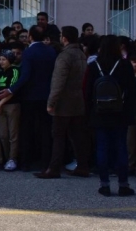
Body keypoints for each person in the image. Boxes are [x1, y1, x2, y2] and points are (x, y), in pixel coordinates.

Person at [0, 26, 57, 172]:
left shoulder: (29, 52)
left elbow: (25, 75)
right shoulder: (51, 51)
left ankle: (26, 162)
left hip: (30, 96)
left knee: (27, 130)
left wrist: (10, 90)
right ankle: (45, 162)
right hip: (46, 95)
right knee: (45, 130)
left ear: (30, 36)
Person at [85, 35, 136, 196]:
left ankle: (104, 184)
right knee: (121, 147)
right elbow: (131, 91)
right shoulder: (125, 65)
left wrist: (89, 112)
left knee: (102, 147)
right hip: (120, 113)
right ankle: (123, 184)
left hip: (99, 112)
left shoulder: (94, 65)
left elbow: (86, 91)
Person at [36, 26, 89, 179]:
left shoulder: (65, 56)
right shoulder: (81, 53)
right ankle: (83, 166)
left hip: (64, 101)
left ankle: (53, 168)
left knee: (58, 136)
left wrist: (51, 102)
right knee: (77, 135)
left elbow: (58, 82)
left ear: (64, 38)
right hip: (78, 99)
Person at [0, 50, 20, 171]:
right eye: (0, 59)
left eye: (4, 59)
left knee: (13, 134)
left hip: (11, 105)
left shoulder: (14, 70)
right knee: (3, 134)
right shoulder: (0, 71)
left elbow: (12, 89)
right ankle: (6, 157)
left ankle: (12, 158)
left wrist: (1, 102)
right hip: (0, 106)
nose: (1, 62)